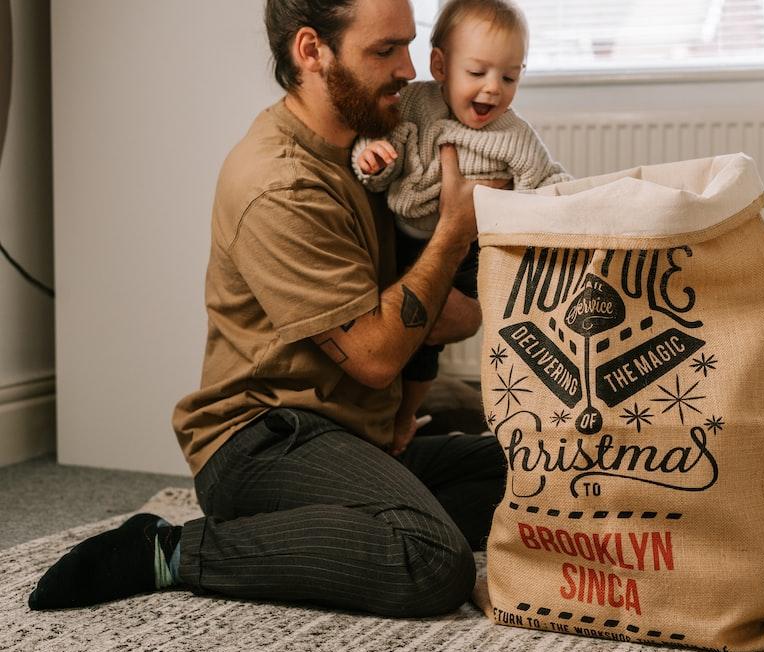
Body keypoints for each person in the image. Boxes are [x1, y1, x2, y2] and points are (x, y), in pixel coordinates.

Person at [27, 0, 508, 617]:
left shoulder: (380, 153)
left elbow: (459, 315)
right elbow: (376, 356)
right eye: (384, 50)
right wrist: (452, 233)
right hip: (261, 439)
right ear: (312, 51)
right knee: (432, 561)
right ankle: (167, 550)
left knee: (534, 469)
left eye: (408, 46)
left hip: (353, 430)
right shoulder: (278, 182)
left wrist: (427, 294)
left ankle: (361, 518)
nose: (409, 69)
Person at [352, 0, 571, 445]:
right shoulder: (413, 104)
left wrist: (570, 201)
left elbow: (545, 180)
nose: (493, 89)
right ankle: (386, 416)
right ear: (440, 65)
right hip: (405, 236)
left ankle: (405, 419)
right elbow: (380, 148)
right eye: (478, 73)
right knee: (395, 326)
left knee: (431, 340)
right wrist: (370, 160)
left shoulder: (513, 136)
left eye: (509, 77)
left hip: (469, 250)